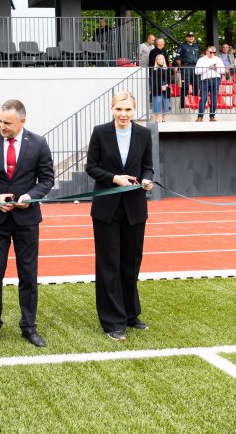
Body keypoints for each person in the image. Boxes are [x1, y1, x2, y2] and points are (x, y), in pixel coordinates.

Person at [0, 99, 54, 348]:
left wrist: (30, 197)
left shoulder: (38, 143)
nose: (2, 126)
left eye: (7, 123)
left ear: (22, 121)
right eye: (0, 121)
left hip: (27, 219)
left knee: (28, 273)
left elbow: (47, 179)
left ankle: (29, 326)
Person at [85, 91, 155, 341]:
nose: (123, 114)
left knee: (131, 261)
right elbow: (91, 166)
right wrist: (114, 178)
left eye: (128, 110)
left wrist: (147, 179)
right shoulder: (100, 132)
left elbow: (147, 165)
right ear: (112, 109)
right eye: (119, 109)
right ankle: (112, 321)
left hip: (135, 208)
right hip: (107, 208)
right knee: (109, 264)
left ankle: (130, 314)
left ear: (134, 110)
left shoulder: (144, 134)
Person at [195, 46, 225, 121]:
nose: (212, 54)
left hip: (216, 79)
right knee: (203, 98)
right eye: (211, 52)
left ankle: (212, 116)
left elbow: (223, 71)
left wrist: (216, 68)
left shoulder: (218, 59)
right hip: (205, 80)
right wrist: (208, 67)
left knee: (214, 99)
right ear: (207, 52)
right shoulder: (201, 60)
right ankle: (200, 117)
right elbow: (197, 72)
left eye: (214, 52)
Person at [174, 32, 200, 105]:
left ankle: (195, 103)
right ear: (186, 38)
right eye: (189, 36)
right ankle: (183, 104)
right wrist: (181, 66)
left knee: (196, 85)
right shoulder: (182, 46)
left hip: (195, 67)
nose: (191, 38)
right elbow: (177, 57)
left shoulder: (196, 46)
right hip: (186, 67)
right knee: (185, 85)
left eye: (192, 36)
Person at [150, 53, 171, 122]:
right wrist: (160, 86)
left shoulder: (167, 69)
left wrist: (166, 85)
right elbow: (154, 80)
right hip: (157, 88)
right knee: (157, 103)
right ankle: (157, 119)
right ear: (156, 61)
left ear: (163, 60)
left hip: (166, 88)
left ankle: (164, 119)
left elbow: (169, 79)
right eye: (158, 59)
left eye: (161, 59)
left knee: (165, 103)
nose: (159, 60)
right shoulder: (154, 69)